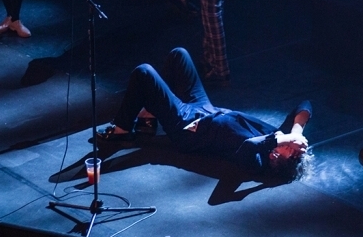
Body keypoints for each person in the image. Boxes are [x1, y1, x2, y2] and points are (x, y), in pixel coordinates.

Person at [96, 47, 312, 181]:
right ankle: (148, 116)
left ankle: (122, 130)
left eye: (292, 153)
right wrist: (296, 130)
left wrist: (284, 138)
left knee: (144, 72)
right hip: (206, 109)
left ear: (277, 159)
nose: (293, 146)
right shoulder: (280, 137)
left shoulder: (258, 162)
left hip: (189, 128)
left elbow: (248, 146)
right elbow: (305, 104)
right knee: (178, 55)